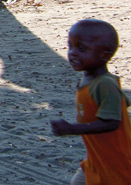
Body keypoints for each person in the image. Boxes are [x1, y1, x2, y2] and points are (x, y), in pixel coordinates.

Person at [51, 19, 131, 184]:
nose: (72, 53)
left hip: (115, 162)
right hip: (96, 157)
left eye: (81, 48)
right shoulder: (91, 82)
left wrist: (72, 129)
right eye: (70, 46)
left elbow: (111, 123)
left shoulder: (105, 84)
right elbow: (123, 103)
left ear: (104, 55)